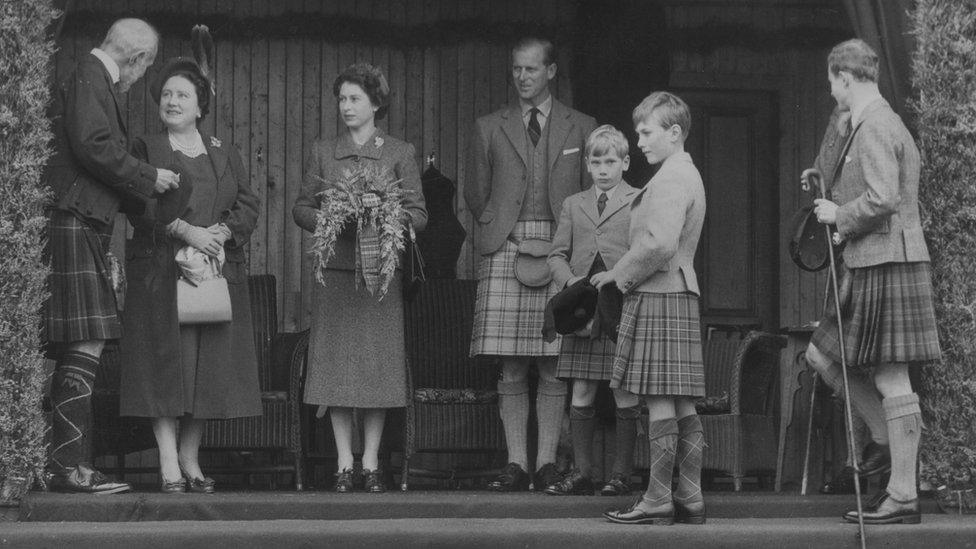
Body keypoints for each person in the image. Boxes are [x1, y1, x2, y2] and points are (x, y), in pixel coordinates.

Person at [802, 38, 941, 525]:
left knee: (890, 374)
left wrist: (839, 212)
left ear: (843, 78)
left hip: (888, 261)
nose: (829, 91)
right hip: (869, 261)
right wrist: (829, 186)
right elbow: (851, 176)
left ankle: (903, 493)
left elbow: (882, 197)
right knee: (821, 354)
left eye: (831, 82)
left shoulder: (879, 124)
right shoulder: (859, 123)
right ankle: (884, 439)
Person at [42, 18, 180, 494]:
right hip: (72, 217)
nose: (142, 78)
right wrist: (149, 176)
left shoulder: (92, 78)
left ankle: (69, 465)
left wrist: (165, 221)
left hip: (81, 217)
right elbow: (95, 147)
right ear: (138, 59)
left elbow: (98, 160)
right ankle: (70, 468)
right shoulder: (89, 76)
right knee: (86, 339)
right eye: (146, 68)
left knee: (83, 342)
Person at [119, 48, 263, 494]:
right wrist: (186, 231)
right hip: (160, 274)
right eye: (166, 94)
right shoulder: (145, 148)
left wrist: (220, 232)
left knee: (206, 366)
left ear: (201, 105)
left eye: (182, 94)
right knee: (166, 365)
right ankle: (167, 459)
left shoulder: (224, 151)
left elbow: (248, 202)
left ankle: (190, 456)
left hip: (214, 274)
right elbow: (136, 202)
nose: (172, 101)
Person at [465, 37, 597, 491]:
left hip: (561, 250)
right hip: (508, 245)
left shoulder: (581, 126)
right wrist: (504, 230)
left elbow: (586, 197)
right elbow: (476, 195)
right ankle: (516, 463)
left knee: (555, 362)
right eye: (517, 69)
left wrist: (569, 246)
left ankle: (546, 464)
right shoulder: (488, 126)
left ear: (552, 71)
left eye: (532, 70)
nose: (522, 78)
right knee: (513, 364)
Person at [294, 63, 427, 494]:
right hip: (334, 276)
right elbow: (300, 207)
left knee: (376, 371)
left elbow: (420, 215)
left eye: (354, 98)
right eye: (342, 99)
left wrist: (387, 215)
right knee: (335, 370)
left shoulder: (399, 152)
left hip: (379, 279)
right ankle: (343, 461)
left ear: (376, 103)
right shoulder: (322, 150)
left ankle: (370, 461)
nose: (346, 106)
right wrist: (330, 216)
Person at [594, 92, 707, 525]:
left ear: (673, 133)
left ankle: (659, 498)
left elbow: (659, 243)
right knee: (681, 403)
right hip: (678, 292)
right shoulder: (684, 173)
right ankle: (690, 497)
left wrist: (618, 276)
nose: (639, 140)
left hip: (660, 294)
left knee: (660, 399)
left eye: (646, 132)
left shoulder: (670, 179)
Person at [544, 125, 640, 496]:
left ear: (625, 162)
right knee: (581, 390)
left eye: (611, 161)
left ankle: (621, 475)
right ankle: (583, 472)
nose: (603, 168)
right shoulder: (573, 204)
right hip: (583, 309)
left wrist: (619, 276)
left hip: (620, 306)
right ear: (586, 163)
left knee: (624, 391)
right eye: (596, 161)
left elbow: (643, 252)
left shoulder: (638, 200)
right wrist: (568, 281)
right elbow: (556, 255)